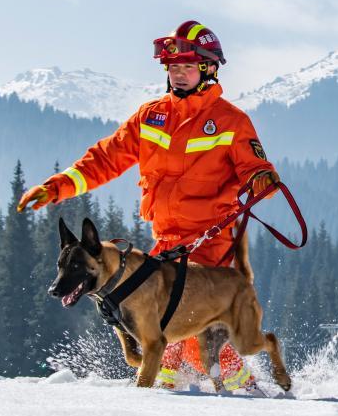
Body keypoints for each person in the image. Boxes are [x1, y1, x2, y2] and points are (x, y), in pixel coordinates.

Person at [18, 21, 279, 391]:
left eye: (187, 67)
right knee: (151, 316)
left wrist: (262, 181)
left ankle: (238, 392)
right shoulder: (151, 116)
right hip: (168, 242)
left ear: (208, 69)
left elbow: (257, 170)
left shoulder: (231, 122)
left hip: (211, 243)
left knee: (197, 323)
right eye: (173, 68)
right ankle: (175, 389)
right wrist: (57, 187)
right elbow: (104, 159)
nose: (178, 74)